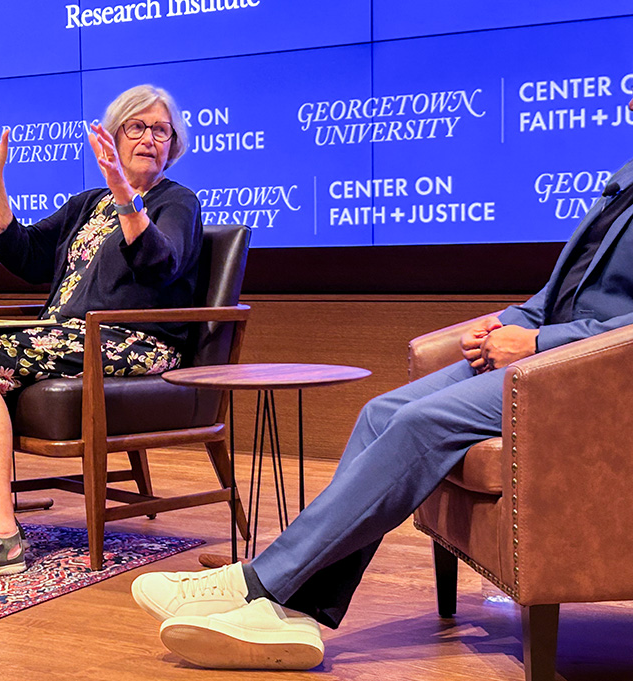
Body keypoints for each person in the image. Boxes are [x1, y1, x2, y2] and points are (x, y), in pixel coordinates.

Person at [130, 99, 633, 670]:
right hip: (544, 356)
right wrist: (509, 324)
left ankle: (258, 585)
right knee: (380, 412)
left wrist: (537, 345)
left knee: (422, 424)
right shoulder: (626, 173)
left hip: (592, 378)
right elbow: (561, 292)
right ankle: (295, 608)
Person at [0, 84, 202, 585]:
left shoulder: (177, 203)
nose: (149, 138)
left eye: (160, 130)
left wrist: (126, 195)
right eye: (136, 127)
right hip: (67, 337)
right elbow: (23, 254)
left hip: (134, 343)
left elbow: (160, 263)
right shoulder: (88, 204)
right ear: (113, 137)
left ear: (173, 143)